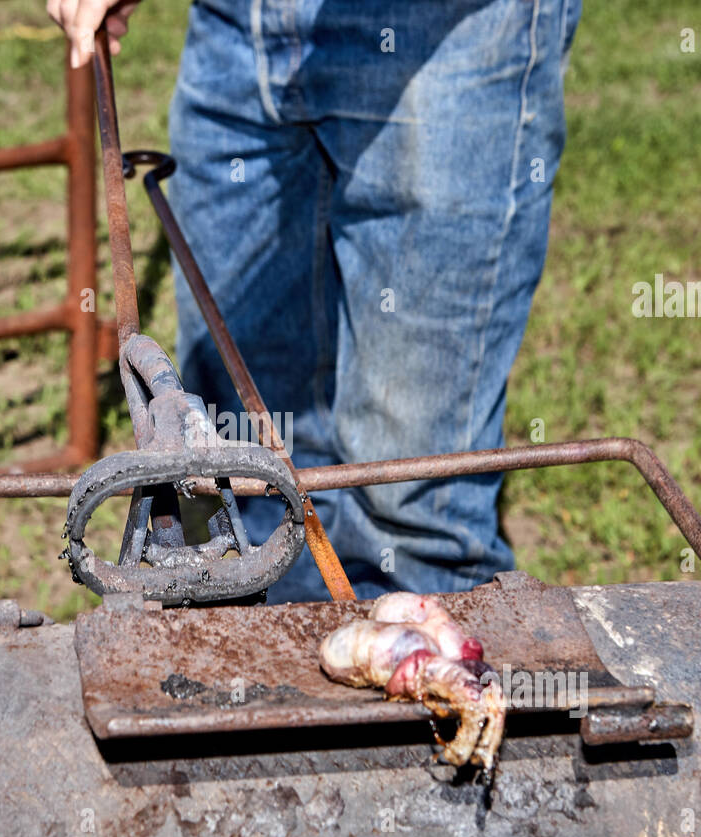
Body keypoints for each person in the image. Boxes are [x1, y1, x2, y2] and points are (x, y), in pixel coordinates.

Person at [50, 0, 582, 602]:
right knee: (239, 469)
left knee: (414, 502)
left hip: (446, 35)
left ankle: (423, 662)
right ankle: (279, 666)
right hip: (237, 28)